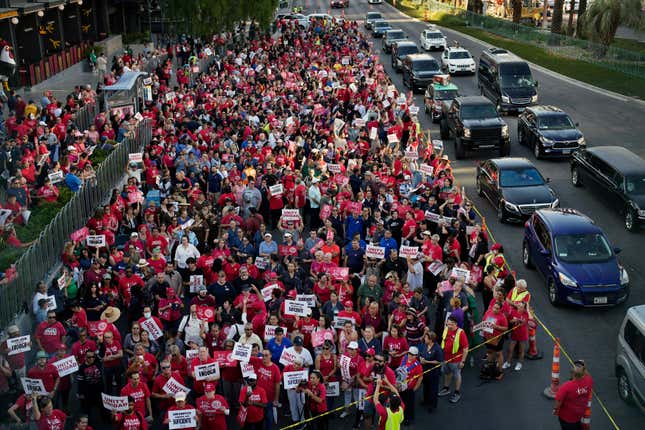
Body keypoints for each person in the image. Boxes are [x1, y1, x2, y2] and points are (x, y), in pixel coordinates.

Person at [554, 360, 593, 430]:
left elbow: (558, 402)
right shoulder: (589, 381)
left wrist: (555, 410)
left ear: (572, 373)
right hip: (579, 415)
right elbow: (587, 375)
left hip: (567, 418)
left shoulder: (565, 387)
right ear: (583, 372)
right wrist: (584, 366)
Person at [438, 316, 468, 403]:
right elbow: (443, 342)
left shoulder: (461, 333)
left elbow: (465, 348)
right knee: (447, 373)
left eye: (451, 324)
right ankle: (446, 388)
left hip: (456, 360)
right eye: (448, 323)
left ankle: (457, 392)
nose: (449, 325)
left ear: (456, 324)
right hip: (445, 358)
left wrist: (463, 361)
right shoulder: (446, 329)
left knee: (457, 375)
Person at [395, 346, 422, 425]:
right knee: (399, 402)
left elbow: (420, 378)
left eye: (412, 354)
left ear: (416, 356)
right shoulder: (404, 359)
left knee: (409, 404)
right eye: (409, 353)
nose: (410, 355)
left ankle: (408, 418)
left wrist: (415, 389)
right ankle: (399, 416)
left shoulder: (418, 366)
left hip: (409, 388)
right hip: (400, 386)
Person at [419, 331, 443, 413]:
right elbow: (421, 354)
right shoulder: (425, 345)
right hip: (425, 371)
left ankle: (432, 405)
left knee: (433, 389)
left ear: (431, 339)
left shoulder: (437, 349)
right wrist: (421, 359)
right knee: (426, 387)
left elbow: (439, 361)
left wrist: (427, 362)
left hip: (433, 373)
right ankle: (426, 401)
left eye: (426, 338)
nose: (424, 339)